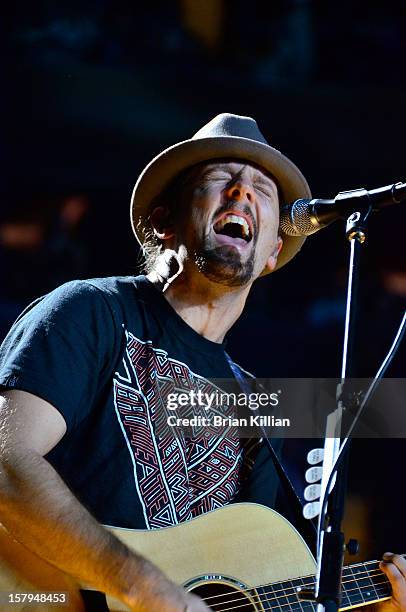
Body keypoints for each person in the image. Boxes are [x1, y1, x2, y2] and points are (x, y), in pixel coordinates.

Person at [0, 114, 405, 612]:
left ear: (273, 250)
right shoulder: (88, 312)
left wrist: (377, 603)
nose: (242, 193)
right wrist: (144, 587)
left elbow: (253, 589)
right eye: (220, 179)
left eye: (262, 189)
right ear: (165, 222)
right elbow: (6, 460)